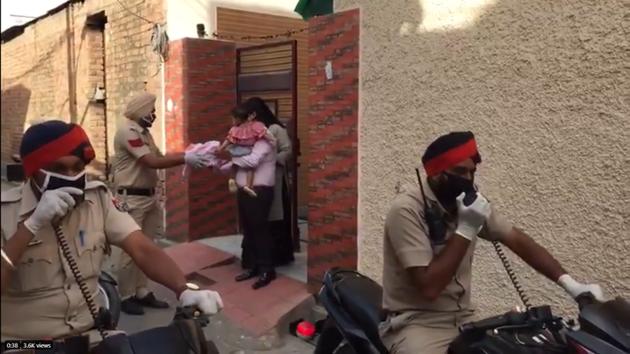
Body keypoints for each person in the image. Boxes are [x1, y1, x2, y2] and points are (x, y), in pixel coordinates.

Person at [379, 131, 605, 354]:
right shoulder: (407, 210)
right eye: (460, 171)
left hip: (463, 318)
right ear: (437, 173)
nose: (468, 180)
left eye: (472, 172)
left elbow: (516, 239)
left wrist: (571, 285)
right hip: (416, 323)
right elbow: (429, 287)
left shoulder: (466, 202)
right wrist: (466, 228)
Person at [0, 120, 223, 345]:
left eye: (78, 168)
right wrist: (30, 226)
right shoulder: (5, 211)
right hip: (25, 344)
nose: (70, 176)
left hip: (92, 337)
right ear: (33, 172)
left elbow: (141, 248)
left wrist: (183, 290)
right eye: (58, 169)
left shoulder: (97, 199)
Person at [111, 92, 212, 315]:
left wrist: (188, 153)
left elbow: (160, 156)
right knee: (131, 250)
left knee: (147, 247)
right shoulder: (127, 131)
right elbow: (151, 161)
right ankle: (126, 295)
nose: (154, 115)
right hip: (131, 198)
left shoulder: (145, 134)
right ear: (140, 110)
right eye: (151, 111)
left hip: (147, 197)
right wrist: (185, 157)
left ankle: (141, 291)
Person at [215, 103, 278, 289]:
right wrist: (216, 165)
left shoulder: (264, 140)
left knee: (260, 230)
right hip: (245, 190)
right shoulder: (243, 140)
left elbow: (251, 160)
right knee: (249, 230)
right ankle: (254, 266)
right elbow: (237, 164)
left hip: (259, 190)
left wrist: (228, 156)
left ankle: (267, 269)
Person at [242, 97, 295, 267]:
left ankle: (277, 257)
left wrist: (272, 160)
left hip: (275, 181)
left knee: (274, 219)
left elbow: (288, 150)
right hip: (254, 182)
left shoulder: (276, 129)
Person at [218, 104, 276, 198]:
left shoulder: (235, 129)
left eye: (233, 119)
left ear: (238, 119)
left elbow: (229, 140)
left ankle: (232, 178)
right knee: (250, 168)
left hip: (237, 148)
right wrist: (272, 139)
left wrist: (221, 148)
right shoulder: (255, 126)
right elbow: (264, 134)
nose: (232, 121)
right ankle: (249, 185)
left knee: (235, 164)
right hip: (248, 149)